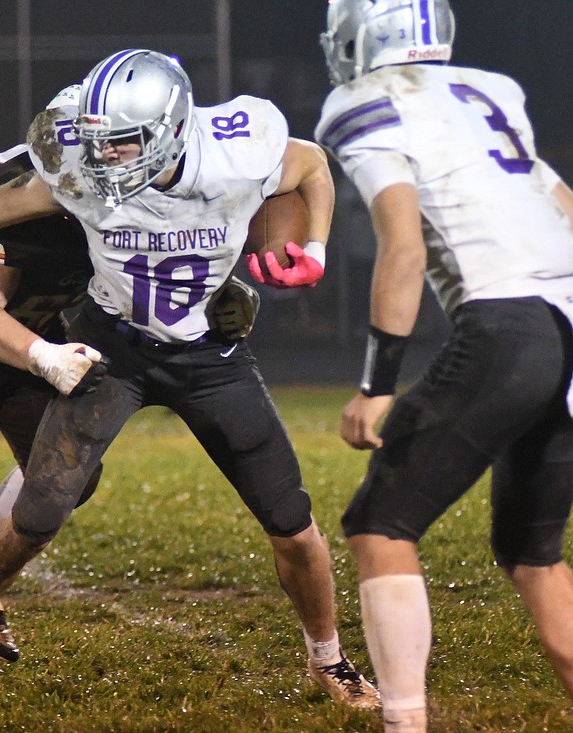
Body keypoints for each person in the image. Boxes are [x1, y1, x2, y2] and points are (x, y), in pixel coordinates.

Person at [0, 49, 380, 722]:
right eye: (98, 140)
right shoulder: (82, 171)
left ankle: (329, 656)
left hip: (207, 352)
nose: (105, 156)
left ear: (170, 126)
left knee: (291, 518)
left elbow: (311, 165)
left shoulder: (238, 144)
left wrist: (316, 248)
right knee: (37, 511)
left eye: (122, 140)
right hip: (114, 347)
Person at [316, 1, 573, 731]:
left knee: (381, 522)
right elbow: (561, 204)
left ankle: (405, 723)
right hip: (569, 316)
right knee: (534, 558)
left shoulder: (361, 103)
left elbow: (402, 246)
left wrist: (376, 384)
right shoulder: (490, 90)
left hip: (510, 324)